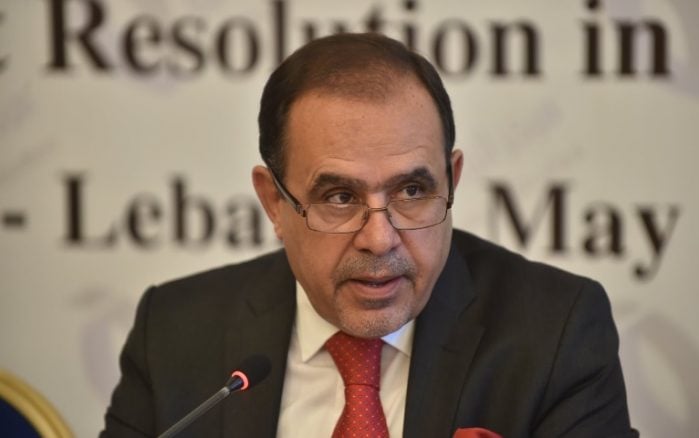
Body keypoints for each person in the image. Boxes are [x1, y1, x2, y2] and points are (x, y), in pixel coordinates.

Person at [101, 33, 638, 438]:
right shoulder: (173, 333)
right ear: (274, 202)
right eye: (340, 197)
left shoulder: (555, 334)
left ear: (451, 180)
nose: (380, 239)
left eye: (412, 191)